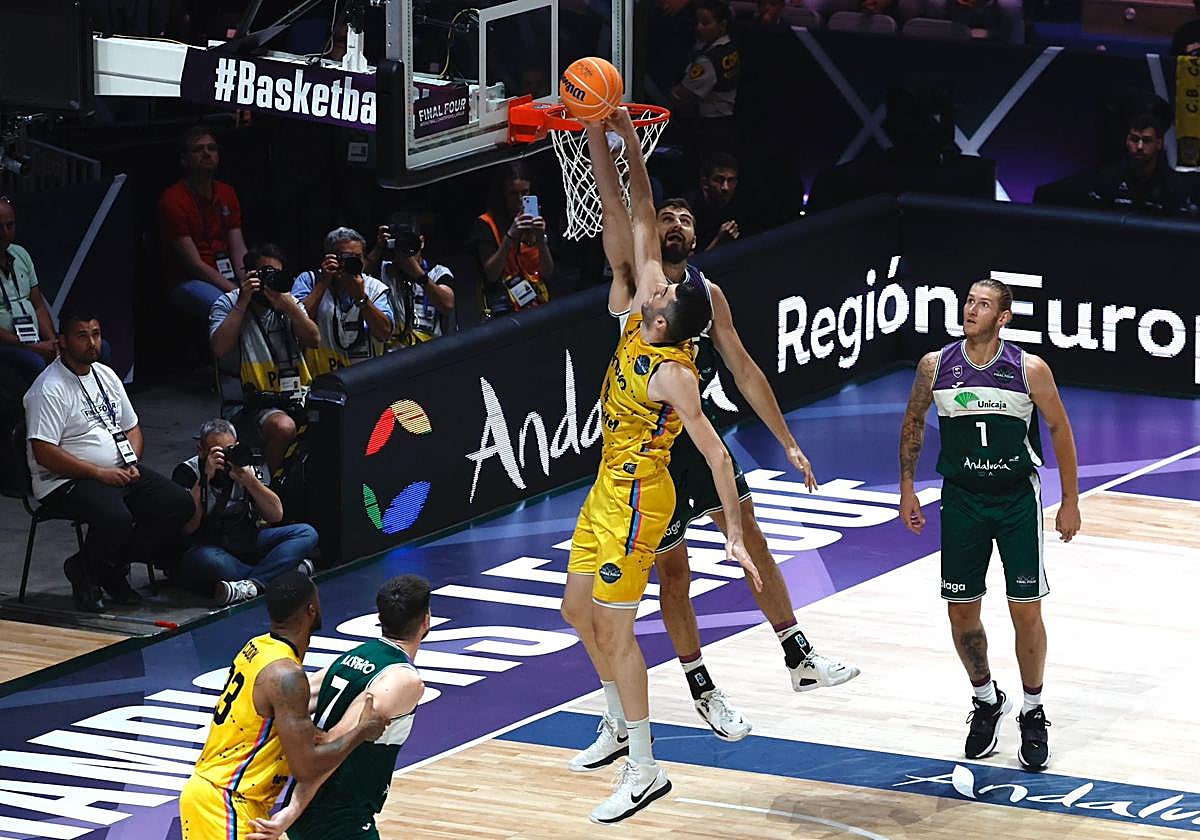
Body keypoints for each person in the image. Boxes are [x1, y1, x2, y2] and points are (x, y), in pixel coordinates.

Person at [571, 192, 858, 757]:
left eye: (687, 219)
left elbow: (745, 370)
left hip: (699, 442)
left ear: (698, 239)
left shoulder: (707, 297)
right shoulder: (640, 284)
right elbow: (628, 212)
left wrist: (788, 441)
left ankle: (799, 656)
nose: (675, 224)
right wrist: (617, 140)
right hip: (653, 459)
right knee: (674, 577)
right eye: (668, 218)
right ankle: (703, 691)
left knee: (753, 540)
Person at [559, 108, 757, 825]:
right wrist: (604, 134)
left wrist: (732, 530)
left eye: (669, 292)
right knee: (575, 610)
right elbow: (635, 208)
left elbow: (712, 448)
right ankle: (617, 726)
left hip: (643, 497)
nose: (659, 283)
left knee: (615, 628)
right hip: (606, 487)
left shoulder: (675, 372)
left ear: (674, 320)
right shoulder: (645, 308)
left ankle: (646, 769)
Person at [898, 277, 1081, 772]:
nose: (971, 310)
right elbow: (914, 421)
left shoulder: (1029, 369)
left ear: (1003, 317)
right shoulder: (936, 366)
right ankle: (985, 699)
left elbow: (1061, 429)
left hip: (1017, 500)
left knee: (1025, 610)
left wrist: (1070, 501)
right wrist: (907, 487)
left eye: (983, 305)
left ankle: (1034, 710)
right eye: (968, 302)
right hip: (961, 501)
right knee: (961, 614)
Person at [179, 571, 387, 840]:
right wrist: (362, 730)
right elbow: (306, 767)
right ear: (311, 610)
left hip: (220, 797)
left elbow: (261, 723)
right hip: (226, 803)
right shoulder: (285, 674)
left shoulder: (257, 647)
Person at [24, 312, 193, 612]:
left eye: (96, 334)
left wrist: (132, 460)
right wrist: (98, 472)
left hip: (119, 471)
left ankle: (98, 564)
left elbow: (133, 427)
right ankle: (98, 569)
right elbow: (44, 451)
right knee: (117, 518)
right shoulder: (48, 389)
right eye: (82, 335)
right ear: (62, 341)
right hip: (66, 481)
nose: (92, 343)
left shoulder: (105, 374)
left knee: (179, 504)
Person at [245, 575, 430, 840]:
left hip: (318, 809)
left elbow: (294, 700)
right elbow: (333, 743)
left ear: (380, 617)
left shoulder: (358, 654)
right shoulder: (404, 680)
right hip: (337, 816)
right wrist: (291, 811)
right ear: (426, 621)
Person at [171, 418, 319, 606]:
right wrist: (204, 480)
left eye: (229, 450)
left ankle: (251, 586)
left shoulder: (244, 466)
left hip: (244, 539)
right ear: (201, 450)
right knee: (211, 562)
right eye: (218, 452)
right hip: (206, 545)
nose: (225, 458)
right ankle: (284, 572)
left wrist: (250, 481)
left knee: (306, 532)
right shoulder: (187, 473)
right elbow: (188, 527)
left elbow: (276, 515)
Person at [210, 244, 320, 473]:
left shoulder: (286, 302)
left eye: (277, 274)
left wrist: (291, 308)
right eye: (266, 274)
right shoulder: (229, 303)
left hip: (294, 396)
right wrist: (243, 301)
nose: (272, 281)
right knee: (283, 426)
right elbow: (219, 348)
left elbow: (314, 339)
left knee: (334, 417)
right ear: (250, 275)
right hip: (248, 404)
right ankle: (277, 490)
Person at [158, 126, 248, 322]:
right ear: (184, 159)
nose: (206, 153)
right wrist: (235, 291)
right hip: (189, 280)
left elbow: (238, 248)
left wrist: (246, 282)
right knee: (228, 309)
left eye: (212, 148)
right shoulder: (173, 199)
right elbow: (194, 265)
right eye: (198, 150)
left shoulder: (227, 193)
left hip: (227, 275)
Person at [291, 227, 395, 375]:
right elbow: (297, 328)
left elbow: (385, 333)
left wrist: (361, 298)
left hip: (367, 379)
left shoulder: (375, 287)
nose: (352, 262)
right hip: (321, 379)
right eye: (346, 257)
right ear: (330, 257)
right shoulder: (309, 281)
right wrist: (323, 283)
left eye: (358, 257)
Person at [471, 163, 554, 319]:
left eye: (525, 193)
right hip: (502, 310)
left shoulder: (536, 220)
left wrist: (541, 241)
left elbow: (548, 272)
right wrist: (509, 237)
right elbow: (491, 274)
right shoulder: (486, 224)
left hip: (537, 306)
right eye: (513, 193)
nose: (520, 200)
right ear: (502, 194)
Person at [363, 213, 455, 346]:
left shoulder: (438, 272)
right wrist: (378, 249)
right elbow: (354, 279)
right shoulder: (384, 270)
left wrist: (418, 274)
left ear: (421, 242)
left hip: (431, 349)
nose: (406, 248)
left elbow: (447, 305)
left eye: (410, 242)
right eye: (401, 243)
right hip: (393, 352)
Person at [670, 0, 740, 159]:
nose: (699, 28)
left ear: (722, 25)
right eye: (698, 22)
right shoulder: (728, 48)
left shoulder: (708, 61)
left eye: (706, 23)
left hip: (708, 130)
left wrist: (674, 93)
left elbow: (681, 96)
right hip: (725, 124)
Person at [0, 197, 58, 388]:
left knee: (96, 349)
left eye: (10, 225)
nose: (5, 233)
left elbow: (38, 305)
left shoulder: (20, 254)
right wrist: (31, 346)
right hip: (7, 344)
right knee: (36, 363)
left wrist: (51, 341)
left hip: (31, 338)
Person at [1087, 112, 1189, 216]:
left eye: (1146, 140)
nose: (1139, 146)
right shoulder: (1110, 177)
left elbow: (1177, 228)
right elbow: (1094, 222)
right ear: (1127, 141)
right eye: (1134, 140)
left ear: (1159, 144)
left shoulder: (1173, 184)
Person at [681, 153, 744, 252]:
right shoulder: (686, 211)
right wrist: (719, 242)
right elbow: (689, 265)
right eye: (719, 180)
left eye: (730, 181)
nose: (725, 188)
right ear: (705, 183)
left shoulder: (741, 207)